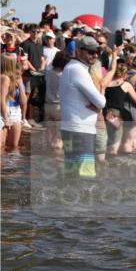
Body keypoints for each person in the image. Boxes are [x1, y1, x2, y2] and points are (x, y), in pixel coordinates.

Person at [58, 37, 105, 176]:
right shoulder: (78, 69)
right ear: (78, 51)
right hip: (81, 130)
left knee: (72, 174)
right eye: (90, 52)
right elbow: (101, 102)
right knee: (86, 175)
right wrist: (99, 105)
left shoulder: (72, 67)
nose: (95, 55)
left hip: (73, 128)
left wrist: (98, 105)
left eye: (97, 52)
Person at [43, 50, 70, 151]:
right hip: (59, 107)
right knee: (59, 137)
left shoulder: (48, 72)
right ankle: (58, 157)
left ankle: (48, 153)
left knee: (49, 133)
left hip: (47, 105)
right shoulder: (64, 75)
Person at [2, 54, 28, 151]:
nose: (18, 75)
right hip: (4, 111)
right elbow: (2, 99)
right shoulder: (4, 79)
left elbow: (23, 102)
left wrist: (20, 85)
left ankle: (12, 161)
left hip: (16, 112)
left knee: (14, 146)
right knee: (2, 146)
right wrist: (6, 119)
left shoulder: (18, 80)